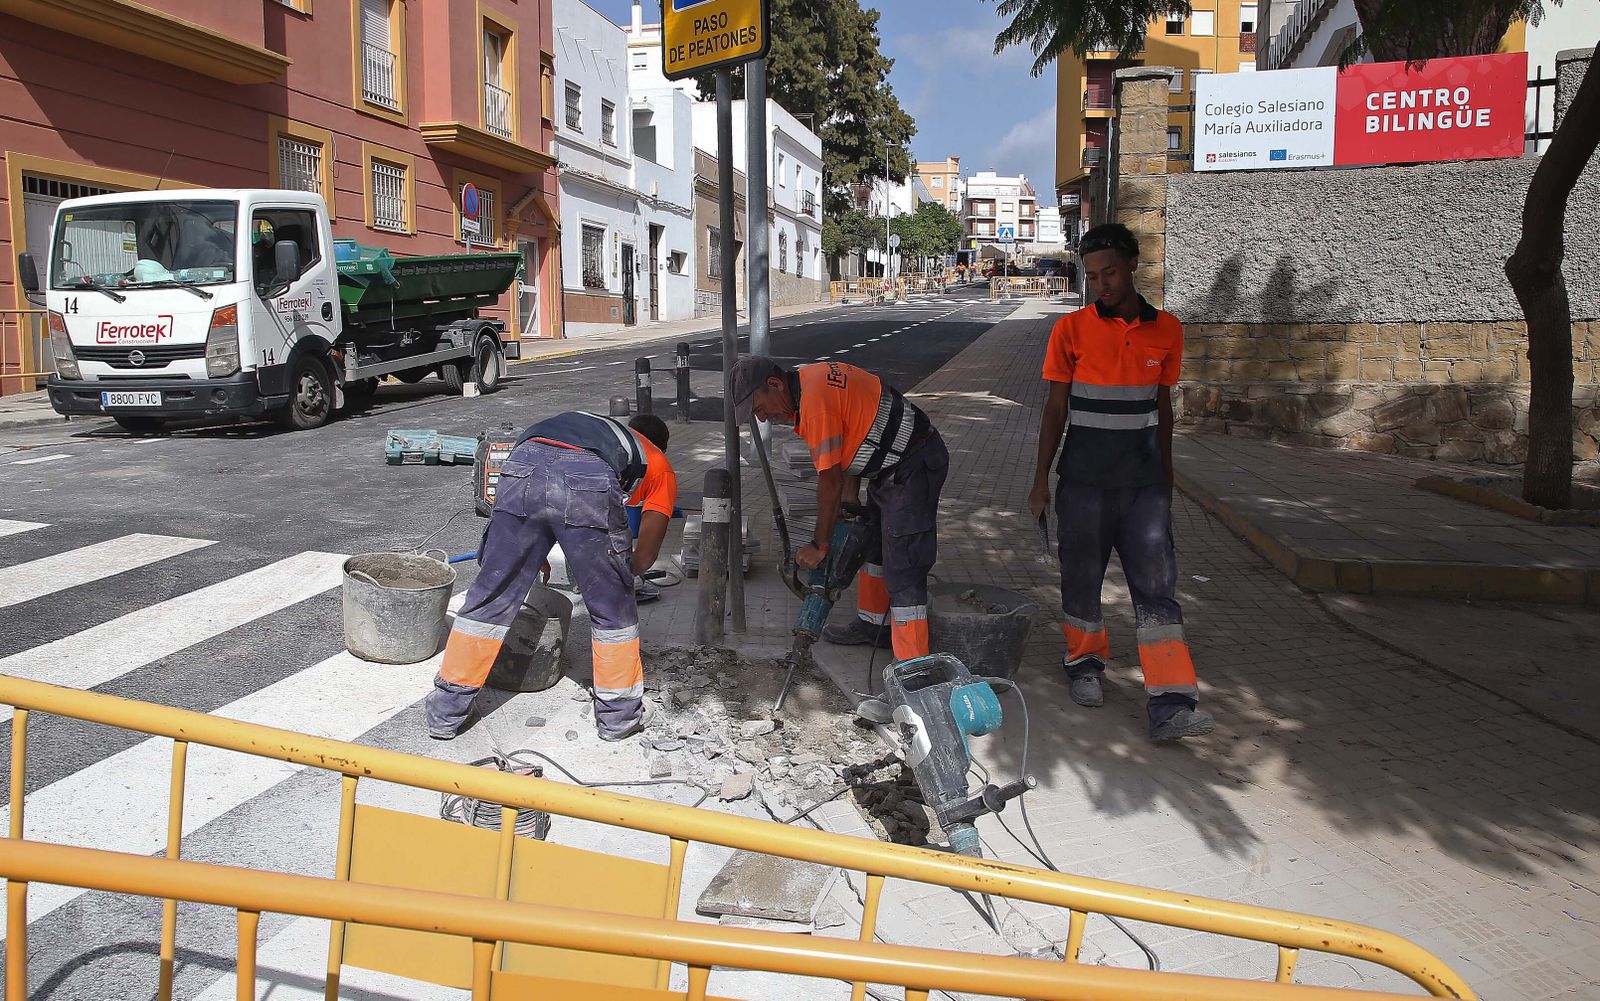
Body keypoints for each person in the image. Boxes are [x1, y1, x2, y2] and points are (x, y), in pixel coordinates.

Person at [1028, 222, 1216, 742]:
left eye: (1109, 272)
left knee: (1158, 589)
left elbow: (1163, 408)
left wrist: (1168, 473)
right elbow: (1055, 409)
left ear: (1133, 264)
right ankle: (1085, 667)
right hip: (1083, 482)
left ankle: (1172, 704)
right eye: (1092, 276)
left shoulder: (1168, 330)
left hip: (1143, 487)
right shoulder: (1070, 330)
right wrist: (1040, 480)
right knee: (1081, 578)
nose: (1101, 284)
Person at [425, 412, 677, 742]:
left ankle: (446, 712)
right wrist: (609, 573)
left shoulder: (601, 431)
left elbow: (542, 482)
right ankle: (618, 718)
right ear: (660, 447)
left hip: (523, 461)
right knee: (614, 613)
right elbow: (644, 556)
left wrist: (534, 549)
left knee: (489, 598)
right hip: (586, 479)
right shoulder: (659, 465)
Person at [731, 356, 948, 661]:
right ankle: (874, 627)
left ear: (774, 384)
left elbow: (828, 481)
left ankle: (913, 671)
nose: (764, 418)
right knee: (875, 552)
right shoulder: (811, 383)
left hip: (913, 466)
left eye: (759, 408)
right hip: (891, 468)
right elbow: (852, 438)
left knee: (904, 569)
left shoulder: (815, 404)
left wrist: (820, 544)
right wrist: (850, 501)